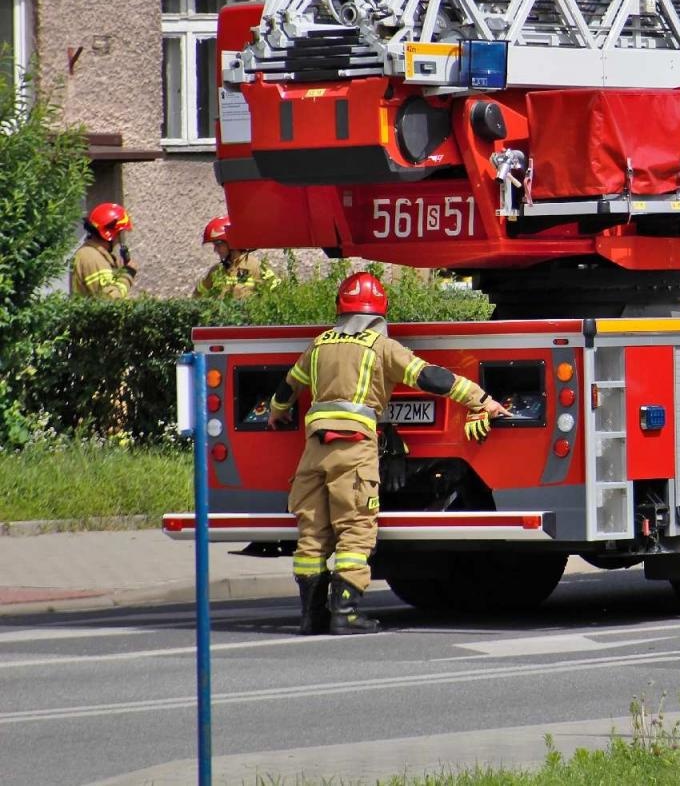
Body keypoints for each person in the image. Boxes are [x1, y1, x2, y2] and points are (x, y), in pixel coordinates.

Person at [267, 270, 509, 635]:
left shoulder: (319, 344)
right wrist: (482, 399)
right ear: (380, 311)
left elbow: (288, 388)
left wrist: (276, 412)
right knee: (355, 529)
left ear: (340, 308)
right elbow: (430, 377)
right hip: (353, 448)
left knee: (312, 532)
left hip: (313, 451)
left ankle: (310, 615)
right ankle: (345, 613)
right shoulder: (381, 347)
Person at [193, 215, 280, 299]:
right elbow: (198, 295)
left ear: (231, 243)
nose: (215, 250)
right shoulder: (216, 271)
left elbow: (277, 294)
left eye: (218, 245)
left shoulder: (256, 267)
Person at [70, 202, 136, 300]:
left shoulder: (98, 256)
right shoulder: (91, 257)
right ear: (111, 235)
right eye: (119, 234)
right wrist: (127, 274)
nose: (118, 240)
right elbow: (110, 300)